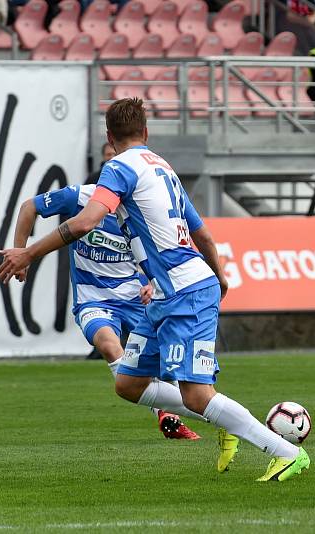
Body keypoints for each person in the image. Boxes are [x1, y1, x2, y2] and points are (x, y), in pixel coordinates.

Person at [0, 97, 311, 482]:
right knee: (128, 384)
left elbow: (83, 224)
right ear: (146, 132)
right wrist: (221, 275)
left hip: (184, 291)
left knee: (196, 395)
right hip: (170, 292)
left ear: (109, 136)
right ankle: (222, 417)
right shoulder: (162, 167)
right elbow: (203, 233)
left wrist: (28, 253)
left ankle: (286, 452)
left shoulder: (118, 167)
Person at [11, 183, 204, 442]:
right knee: (109, 345)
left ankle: (205, 408)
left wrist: (149, 282)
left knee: (165, 358)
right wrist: (21, 251)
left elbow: (160, 253)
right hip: (93, 300)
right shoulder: (79, 197)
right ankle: (165, 413)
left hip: (133, 296)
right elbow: (28, 207)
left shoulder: (142, 208)